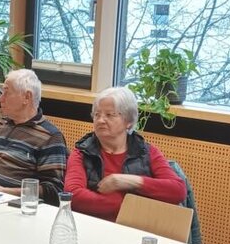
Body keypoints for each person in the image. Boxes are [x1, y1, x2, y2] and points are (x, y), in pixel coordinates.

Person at [64, 86, 185, 221]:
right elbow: (72, 194)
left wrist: (128, 181)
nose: (100, 120)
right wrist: (132, 207)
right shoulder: (82, 152)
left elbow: (178, 190)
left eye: (109, 115)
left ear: (128, 121)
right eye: (97, 114)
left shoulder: (147, 152)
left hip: (139, 229)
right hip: (96, 227)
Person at [0, 69, 68, 205]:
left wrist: (4, 191)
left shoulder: (50, 137)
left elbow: (52, 190)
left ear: (27, 97)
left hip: (8, 205)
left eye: (6, 92)